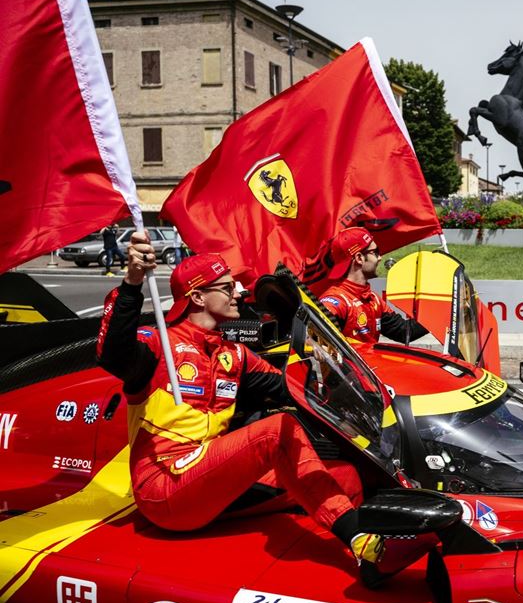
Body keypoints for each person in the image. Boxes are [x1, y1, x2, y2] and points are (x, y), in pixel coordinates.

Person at [96, 230, 407, 585]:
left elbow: (296, 389)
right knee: (278, 431)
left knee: (345, 477)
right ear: (197, 296)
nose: (240, 293)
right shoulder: (158, 346)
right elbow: (112, 352)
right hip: (165, 489)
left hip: (211, 482)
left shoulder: (235, 355)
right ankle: (363, 542)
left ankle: (367, 555)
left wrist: (362, 389)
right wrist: (132, 282)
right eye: (228, 288)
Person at [319, 227, 428, 344]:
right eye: (375, 252)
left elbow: (404, 332)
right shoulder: (337, 301)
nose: (380, 258)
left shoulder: (373, 298)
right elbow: (312, 336)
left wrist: (442, 314)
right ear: (359, 258)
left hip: (368, 362)